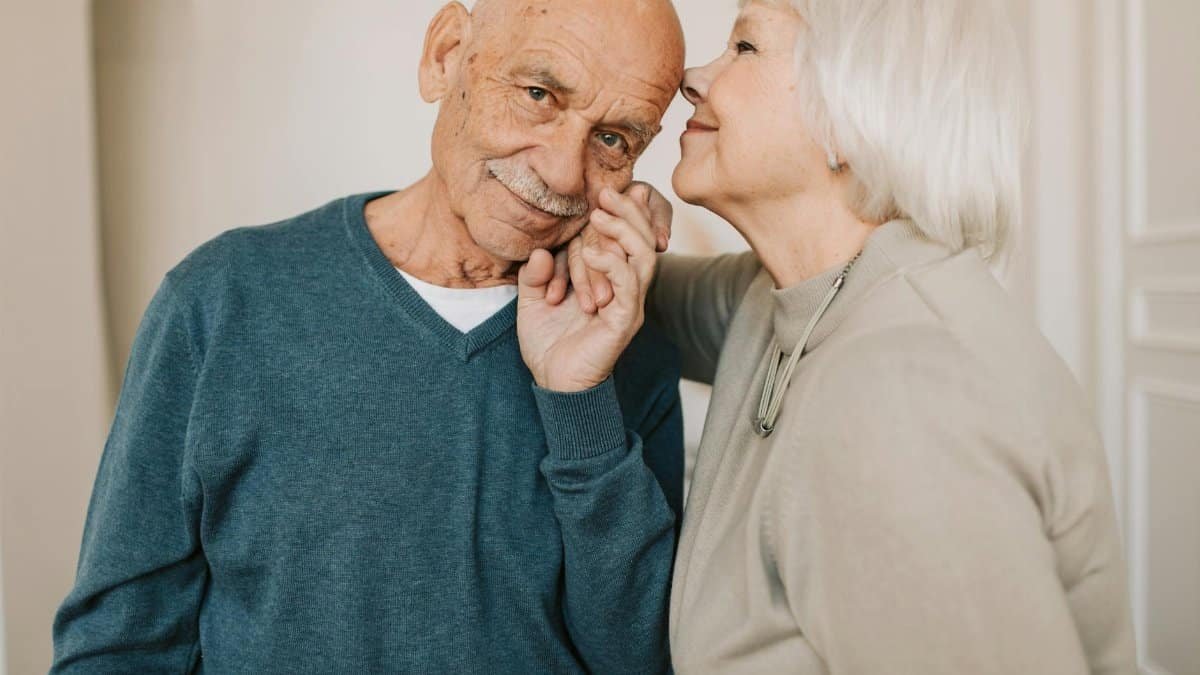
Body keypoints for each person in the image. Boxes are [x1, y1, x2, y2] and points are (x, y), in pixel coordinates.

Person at [52, 1, 687, 672]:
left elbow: (638, 658)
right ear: (446, 55)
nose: (563, 171)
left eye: (614, 139)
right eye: (538, 94)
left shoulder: (626, 345)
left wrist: (578, 398)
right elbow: (117, 644)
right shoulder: (222, 300)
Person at [558, 0, 1138, 672]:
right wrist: (600, 216)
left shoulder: (907, 398)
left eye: (745, 47)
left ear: (853, 107)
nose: (694, 74)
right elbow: (639, 299)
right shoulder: (786, 294)